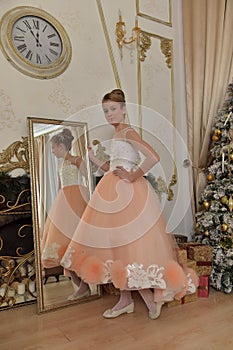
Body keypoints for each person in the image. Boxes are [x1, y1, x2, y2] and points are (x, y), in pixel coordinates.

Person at [61, 89, 199, 318]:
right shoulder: (118, 134)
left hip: (127, 194)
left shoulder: (127, 132)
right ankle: (125, 300)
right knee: (116, 249)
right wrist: (95, 159)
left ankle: (147, 300)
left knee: (127, 249)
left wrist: (133, 176)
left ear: (124, 109)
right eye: (105, 111)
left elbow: (154, 157)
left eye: (113, 109)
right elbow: (113, 167)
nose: (109, 114)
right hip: (111, 189)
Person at [41, 128, 90, 300]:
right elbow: (61, 187)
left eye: (54, 148)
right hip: (63, 203)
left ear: (62, 146)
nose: (53, 152)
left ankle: (84, 286)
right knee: (62, 245)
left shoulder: (77, 160)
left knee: (77, 244)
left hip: (77, 201)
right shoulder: (61, 164)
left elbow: (87, 178)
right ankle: (82, 287)